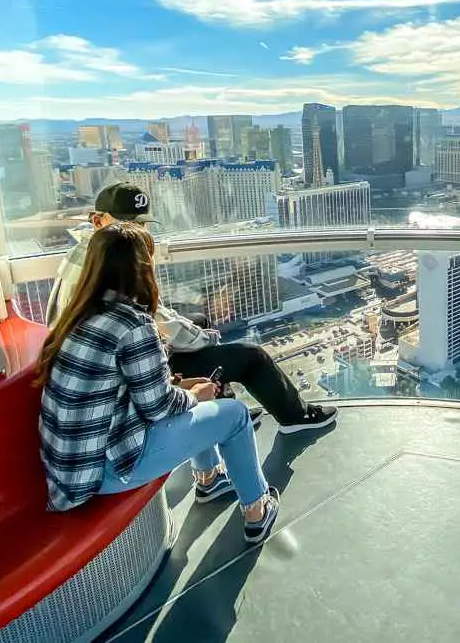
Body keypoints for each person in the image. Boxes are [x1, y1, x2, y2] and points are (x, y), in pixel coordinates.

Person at [36, 223, 280, 543]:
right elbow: (158, 407)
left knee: (197, 400)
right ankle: (258, 509)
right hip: (108, 469)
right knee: (234, 415)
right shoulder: (132, 324)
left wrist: (183, 387)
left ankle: (209, 478)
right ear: (141, 268)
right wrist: (194, 394)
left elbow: (123, 392)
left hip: (70, 470)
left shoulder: (79, 316)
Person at [47, 182, 337, 435]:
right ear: (98, 220)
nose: (135, 230)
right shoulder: (115, 265)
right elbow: (152, 323)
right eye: (125, 222)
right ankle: (295, 417)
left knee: (198, 320)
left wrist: (197, 330)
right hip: (123, 376)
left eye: (140, 223)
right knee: (252, 357)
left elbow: (152, 315)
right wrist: (206, 337)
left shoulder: (88, 253)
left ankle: (223, 404)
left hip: (102, 364)